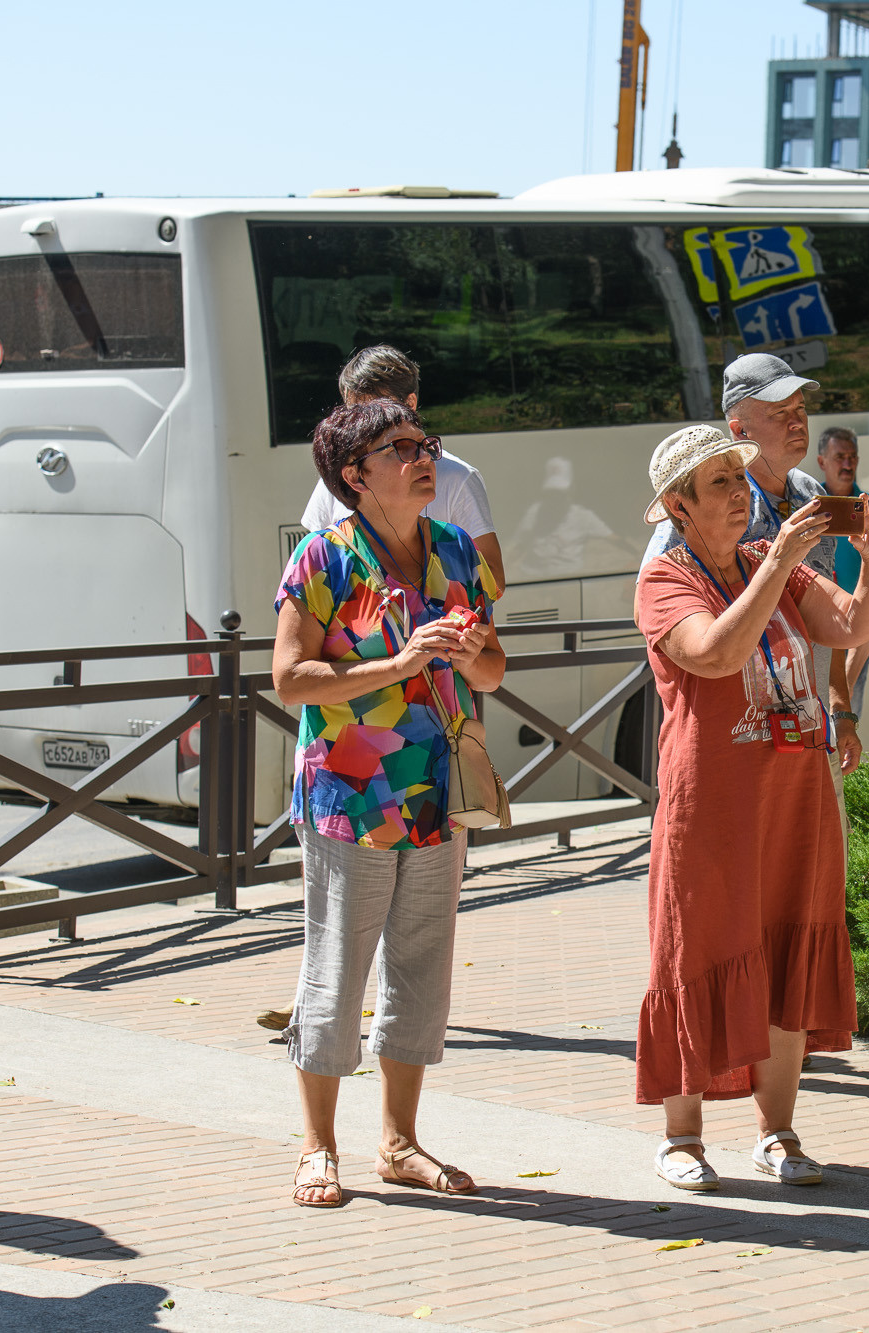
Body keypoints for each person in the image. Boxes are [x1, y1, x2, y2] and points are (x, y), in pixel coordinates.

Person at [634, 424, 869, 1190]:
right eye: (718, 482)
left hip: (793, 794)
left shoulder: (764, 563)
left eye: (738, 476)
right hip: (712, 807)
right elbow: (714, 652)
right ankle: (682, 1136)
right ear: (678, 506)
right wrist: (780, 559)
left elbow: (853, 624)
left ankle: (777, 1132)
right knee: (696, 952)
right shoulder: (665, 578)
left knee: (787, 951)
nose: (739, 491)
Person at [271, 398, 506, 1208]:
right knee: (338, 967)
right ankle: (316, 1146)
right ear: (354, 475)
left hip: (435, 790)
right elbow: (290, 678)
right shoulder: (322, 559)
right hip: (350, 793)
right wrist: (398, 663)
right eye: (397, 447)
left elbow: (494, 673)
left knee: (421, 968)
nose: (421, 455)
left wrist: (474, 654)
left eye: (423, 442)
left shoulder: (451, 550)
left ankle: (400, 1142)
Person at [643, 353, 865, 773]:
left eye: (800, 409)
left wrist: (842, 709)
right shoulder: (696, 510)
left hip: (814, 726)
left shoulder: (810, 491)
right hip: (741, 735)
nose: (797, 422)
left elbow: (833, 622)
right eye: (780, 412)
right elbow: (660, 613)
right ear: (738, 429)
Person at [299, 346, 507, 598]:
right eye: (354, 413)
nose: (363, 424)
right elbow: (314, 574)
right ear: (353, 479)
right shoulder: (341, 477)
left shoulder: (456, 478)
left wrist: (424, 607)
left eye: (376, 408)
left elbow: (491, 580)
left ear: (410, 403)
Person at [817, 425, 869, 740]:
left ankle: (845, 782)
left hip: (857, 631)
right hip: (816, 630)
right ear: (821, 461)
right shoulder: (806, 505)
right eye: (839, 456)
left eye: (852, 456)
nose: (847, 463)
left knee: (846, 715)